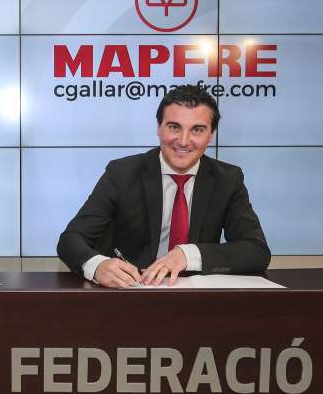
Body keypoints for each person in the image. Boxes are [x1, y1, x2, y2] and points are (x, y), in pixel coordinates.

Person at [57, 84, 270, 288]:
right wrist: (97, 266)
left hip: (198, 297)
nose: (184, 141)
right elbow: (70, 240)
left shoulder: (228, 179)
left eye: (197, 130)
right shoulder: (121, 173)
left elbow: (256, 251)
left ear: (210, 135)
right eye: (174, 127)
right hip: (130, 293)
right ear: (159, 127)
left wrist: (187, 255)